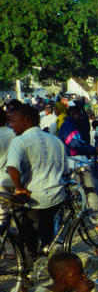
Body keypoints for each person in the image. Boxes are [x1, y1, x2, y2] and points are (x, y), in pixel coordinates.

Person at [6, 103, 67, 258]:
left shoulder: (20, 142)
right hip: (56, 196)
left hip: (33, 198)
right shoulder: (56, 141)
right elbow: (65, 171)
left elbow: (12, 168)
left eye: (13, 120)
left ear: (26, 120)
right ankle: (45, 257)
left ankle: (31, 265)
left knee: (29, 235)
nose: (11, 125)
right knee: (47, 233)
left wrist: (19, 188)